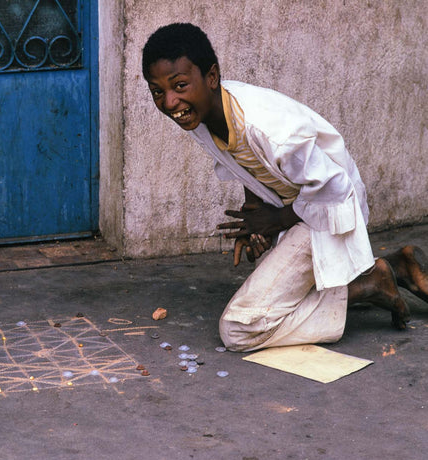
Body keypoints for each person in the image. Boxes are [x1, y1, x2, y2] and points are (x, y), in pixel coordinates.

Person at [141, 23, 428, 352]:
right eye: (157, 91)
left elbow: (333, 189)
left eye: (179, 86)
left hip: (328, 212)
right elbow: (243, 162)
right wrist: (254, 218)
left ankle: (367, 284)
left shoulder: (272, 129)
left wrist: (276, 220)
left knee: (240, 329)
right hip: (295, 209)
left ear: (211, 77)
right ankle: (394, 266)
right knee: (285, 296)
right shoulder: (202, 111)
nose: (169, 102)